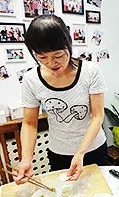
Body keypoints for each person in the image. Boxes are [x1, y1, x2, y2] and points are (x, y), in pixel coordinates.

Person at [14, 15, 108, 185]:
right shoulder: (31, 79)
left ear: (69, 45)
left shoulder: (90, 71)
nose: (51, 63)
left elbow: (97, 116)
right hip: (59, 152)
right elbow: (29, 123)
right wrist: (26, 159)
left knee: (98, 196)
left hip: (92, 149)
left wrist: (80, 153)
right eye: (42, 57)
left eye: (58, 55)